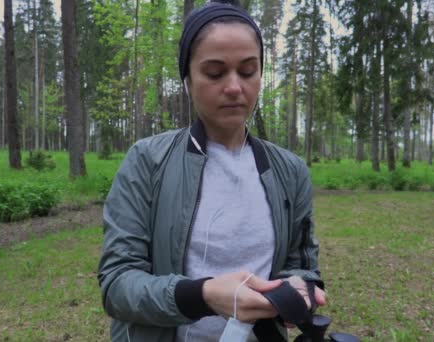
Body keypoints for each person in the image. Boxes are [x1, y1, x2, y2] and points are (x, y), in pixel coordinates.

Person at [98, 1, 326, 341]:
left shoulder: (289, 171)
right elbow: (117, 284)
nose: (234, 87)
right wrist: (204, 295)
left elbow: (302, 264)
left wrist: (300, 287)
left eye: (248, 71)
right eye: (215, 73)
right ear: (188, 80)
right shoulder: (147, 161)